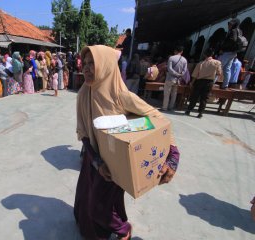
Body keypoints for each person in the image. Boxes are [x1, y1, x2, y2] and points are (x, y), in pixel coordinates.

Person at [75, 45, 180, 240]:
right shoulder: (83, 93)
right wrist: (96, 162)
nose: (87, 68)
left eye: (93, 64)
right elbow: (84, 134)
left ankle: (124, 230)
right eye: (85, 64)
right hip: (93, 159)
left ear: (106, 66)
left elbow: (158, 120)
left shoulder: (120, 96)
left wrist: (173, 156)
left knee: (98, 207)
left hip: (116, 164)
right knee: (87, 197)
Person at [185, 48, 222, 118]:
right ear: (212, 54)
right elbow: (219, 73)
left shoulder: (200, 63)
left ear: (205, 55)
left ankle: (189, 110)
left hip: (199, 81)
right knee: (204, 98)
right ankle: (200, 113)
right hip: (209, 82)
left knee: (194, 96)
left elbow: (195, 75)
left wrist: (192, 83)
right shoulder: (217, 63)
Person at [219, 18, 242, 89]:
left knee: (219, 67)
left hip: (227, 52)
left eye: (231, 24)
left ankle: (212, 82)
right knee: (227, 69)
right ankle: (225, 85)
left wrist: (223, 48)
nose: (229, 25)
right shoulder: (240, 31)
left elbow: (232, 41)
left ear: (234, 24)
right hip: (233, 53)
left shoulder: (233, 31)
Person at [162, 46, 188, 111]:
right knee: (174, 94)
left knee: (167, 93)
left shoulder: (171, 58)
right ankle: (171, 107)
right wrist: (180, 75)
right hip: (178, 79)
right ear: (182, 52)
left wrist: (175, 74)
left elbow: (169, 68)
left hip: (170, 78)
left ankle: (165, 107)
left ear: (175, 51)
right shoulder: (184, 60)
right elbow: (185, 70)